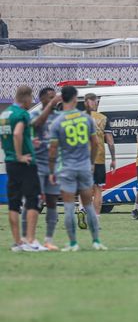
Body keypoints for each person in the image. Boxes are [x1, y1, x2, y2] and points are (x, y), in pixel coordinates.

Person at [48, 85, 106, 251]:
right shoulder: (86, 118)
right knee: (88, 205)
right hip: (84, 167)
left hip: (67, 168)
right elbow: (95, 143)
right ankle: (96, 241)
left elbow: (53, 149)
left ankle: (73, 243)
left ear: (62, 99)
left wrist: (52, 171)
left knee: (68, 207)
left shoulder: (57, 121)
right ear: (75, 99)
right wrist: (92, 162)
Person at [1, 86, 45, 252]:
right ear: (25, 97)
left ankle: (18, 242)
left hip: (10, 163)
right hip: (25, 163)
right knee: (33, 200)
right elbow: (17, 134)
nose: (32, 101)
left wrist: (26, 144)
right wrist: (20, 155)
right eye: (31, 98)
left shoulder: (5, 114)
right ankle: (31, 241)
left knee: (13, 203)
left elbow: (9, 137)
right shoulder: (22, 114)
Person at [27, 87, 63, 249]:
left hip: (53, 166)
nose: (54, 100)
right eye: (50, 98)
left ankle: (48, 240)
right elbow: (35, 125)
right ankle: (26, 239)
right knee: (33, 202)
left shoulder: (58, 117)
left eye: (54, 97)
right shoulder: (33, 115)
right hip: (36, 165)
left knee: (52, 201)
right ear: (42, 99)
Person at [84, 93, 115, 218]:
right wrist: (113, 159)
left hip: (83, 158)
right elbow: (110, 142)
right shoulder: (103, 118)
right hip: (99, 157)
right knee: (98, 189)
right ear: (95, 103)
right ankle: (96, 217)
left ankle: (82, 209)